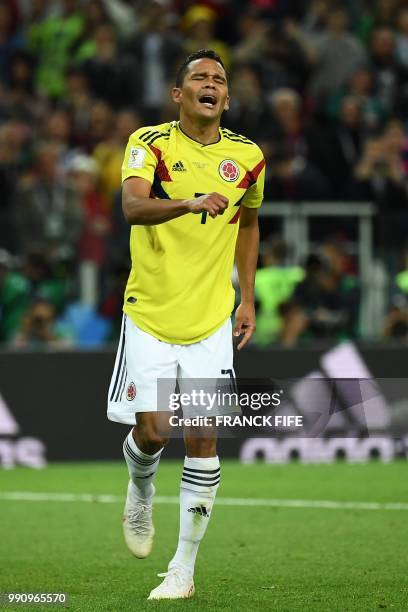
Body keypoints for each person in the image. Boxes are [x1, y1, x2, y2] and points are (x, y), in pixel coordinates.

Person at [106, 49, 265, 600]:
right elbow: (131, 206)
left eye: (219, 80)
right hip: (149, 313)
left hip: (211, 320)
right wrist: (188, 202)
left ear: (226, 97)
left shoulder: (248, 157)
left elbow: (247, 222)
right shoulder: (149, 142)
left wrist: (246, 297)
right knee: (153, 432)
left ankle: (183, 569)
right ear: (178, 94)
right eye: (199, 77)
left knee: (203, 439)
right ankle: (141, 484)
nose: (211, 84)